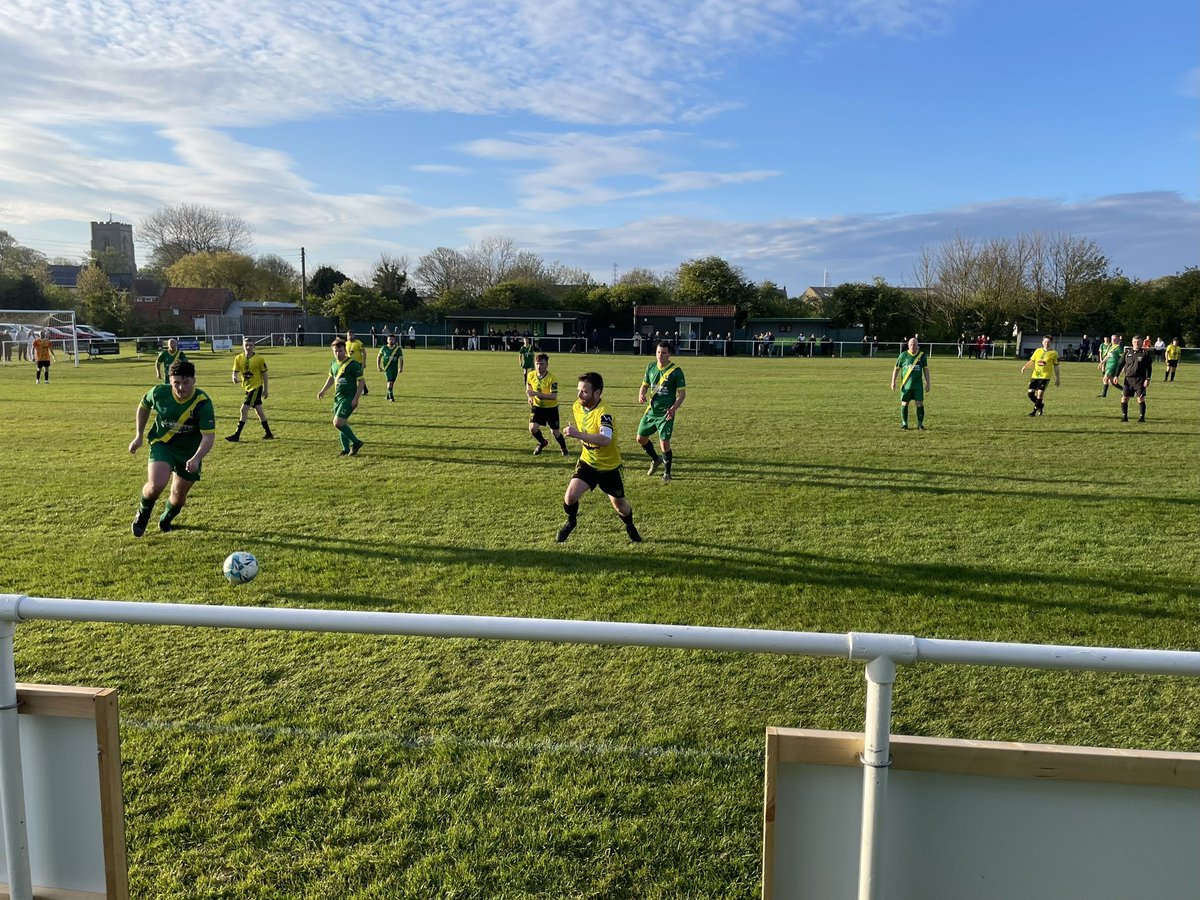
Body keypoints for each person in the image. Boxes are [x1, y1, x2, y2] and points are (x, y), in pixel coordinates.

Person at [128, 360, 215, 536]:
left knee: (178, 496)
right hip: (163, 445)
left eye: (186, 383)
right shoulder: (159, 392)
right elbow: (143, 406)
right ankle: (142, 515)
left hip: (189, 452)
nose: (181, 388)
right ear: (170, 381)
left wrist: (196, 458)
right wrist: (138, 435)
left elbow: (208, 437)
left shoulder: (202, 403)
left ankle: (166, 519)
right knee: (155, 485)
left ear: (194, 380)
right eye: (176, 383)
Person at [557, 371, 641, 543]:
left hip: (609, 467)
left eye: (584, 392)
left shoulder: (604, 413)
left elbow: (604, 439)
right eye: (579, 390)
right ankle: (571, 521)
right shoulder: (577, 406)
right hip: (588, 462)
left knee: (621, 507)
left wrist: (578, 434)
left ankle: (630, 526)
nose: (579, 395)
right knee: (570, 497)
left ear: (597, 393)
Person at [636, 341, 686, 482]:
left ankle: (667, 473)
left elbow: (682, 394)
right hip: (651, 411)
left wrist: (673, 409)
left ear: (669, 354)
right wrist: (641, 394)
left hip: (666, 413)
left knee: (664, 443)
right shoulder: (651, 367)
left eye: (663, 352)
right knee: (640, 438)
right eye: (658, 352)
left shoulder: (676, 371)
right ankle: (655, 459)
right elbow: (644, 386)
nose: (660, 355)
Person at [317, 338, 365, 455]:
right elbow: (331, 378)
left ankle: (356, 442)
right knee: (341, 424)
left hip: (349, 398)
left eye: (340, 350)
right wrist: (323, 391)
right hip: (338, 398)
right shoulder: (333, 363)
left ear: (345, 350)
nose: (338, 353)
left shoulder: (352, 365)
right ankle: (346, 449)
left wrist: (355, 399)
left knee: (338, 423)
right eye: (335, 351)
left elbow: (361, 382)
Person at [226, 337, 274, 441]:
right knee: (259, 411)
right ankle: (269, 433)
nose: (248, 347)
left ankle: (236, 435)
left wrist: (266, 389)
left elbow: (264, 374)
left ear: (254, 346)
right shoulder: (238, 358)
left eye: (250, 345)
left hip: (256, 387)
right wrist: (234, 377)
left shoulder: (259, 359)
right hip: (247, 388)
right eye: (246, 345)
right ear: (243, 346)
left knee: (243, 410)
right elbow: (235, 371)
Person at [526, 352, 568, 456]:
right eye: (537, 363)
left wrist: (536, 394)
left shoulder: (552, 379)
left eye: (542, 364)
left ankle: (563, 448)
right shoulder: (531, 375)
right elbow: (529, 386)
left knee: (555, 432)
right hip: (537, 406)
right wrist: (530, 397)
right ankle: (542, 442)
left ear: (547, 365)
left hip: (551, 408)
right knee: (532, 428)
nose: (539, 366)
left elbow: (553, 396)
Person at [890, 337, 931, 430]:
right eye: (911, 344)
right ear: (908, 345)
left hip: (918, 386)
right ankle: (904, 424)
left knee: (919, 403)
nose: (913, 346)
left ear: (918, 346)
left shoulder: (922, 356)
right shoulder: (903, 355)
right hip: (906, 385)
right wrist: (893, 382)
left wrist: (928, 383)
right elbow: (896, 369)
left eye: (915, 344)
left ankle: (920, 424)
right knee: (905, 403)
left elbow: (926, 369)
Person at [1020, 335, 1060, 416]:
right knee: (1030, 394)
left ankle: (1034, 412)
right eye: (1045, 342)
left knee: (1040, 394)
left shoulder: (1054, 353)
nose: (1046, 343)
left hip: (1045, 377)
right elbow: (1032, 360)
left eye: (1048, 342)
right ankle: (1040, 405)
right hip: (1035, 375)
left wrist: (1057, 378)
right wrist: (1025, 367)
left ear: (1050, 343)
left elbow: (1056, 366)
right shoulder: (1037, 351)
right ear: (1042, 342)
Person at [1118, 335, 1153, 422]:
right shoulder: (1127, 353)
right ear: (1132, 342)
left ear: (1141, 343)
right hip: (1128, 379)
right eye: (1135, 342)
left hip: (1140, 379)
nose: (1136, 343)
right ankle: (1124, 417)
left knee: (1140, 398)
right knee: (1124, 398)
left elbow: (1149, 367)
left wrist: (1148, 379)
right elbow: (1120, 364)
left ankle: (1142, 417)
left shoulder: (1145, 353)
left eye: (1138, 342)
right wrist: (1116, 375)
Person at [377, 333, 404, 401]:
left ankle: (388, 395)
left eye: (392, 339)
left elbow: (401, 359)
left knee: (392, 382)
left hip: (394, 369)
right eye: (389, 339)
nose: (391, 340)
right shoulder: (384, 348)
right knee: (390, 381)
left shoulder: (398, 349)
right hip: (387, 368)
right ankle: (391, 396)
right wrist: (378, 366)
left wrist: (401, 368)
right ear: (387, 340)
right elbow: (379, 357)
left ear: (394, 340)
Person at [345, 329, 368, 395]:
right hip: (349, 363)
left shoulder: (358, 343)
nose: (350, 336)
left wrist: (364, 362)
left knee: (359, 377)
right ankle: (364, 390)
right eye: (349, 335)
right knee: (351, 377)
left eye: (351, 335)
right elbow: (346, 354)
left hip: (358, 363)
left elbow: (364, 353)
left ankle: (363, 390)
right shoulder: (346, 344)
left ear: (354, 335)